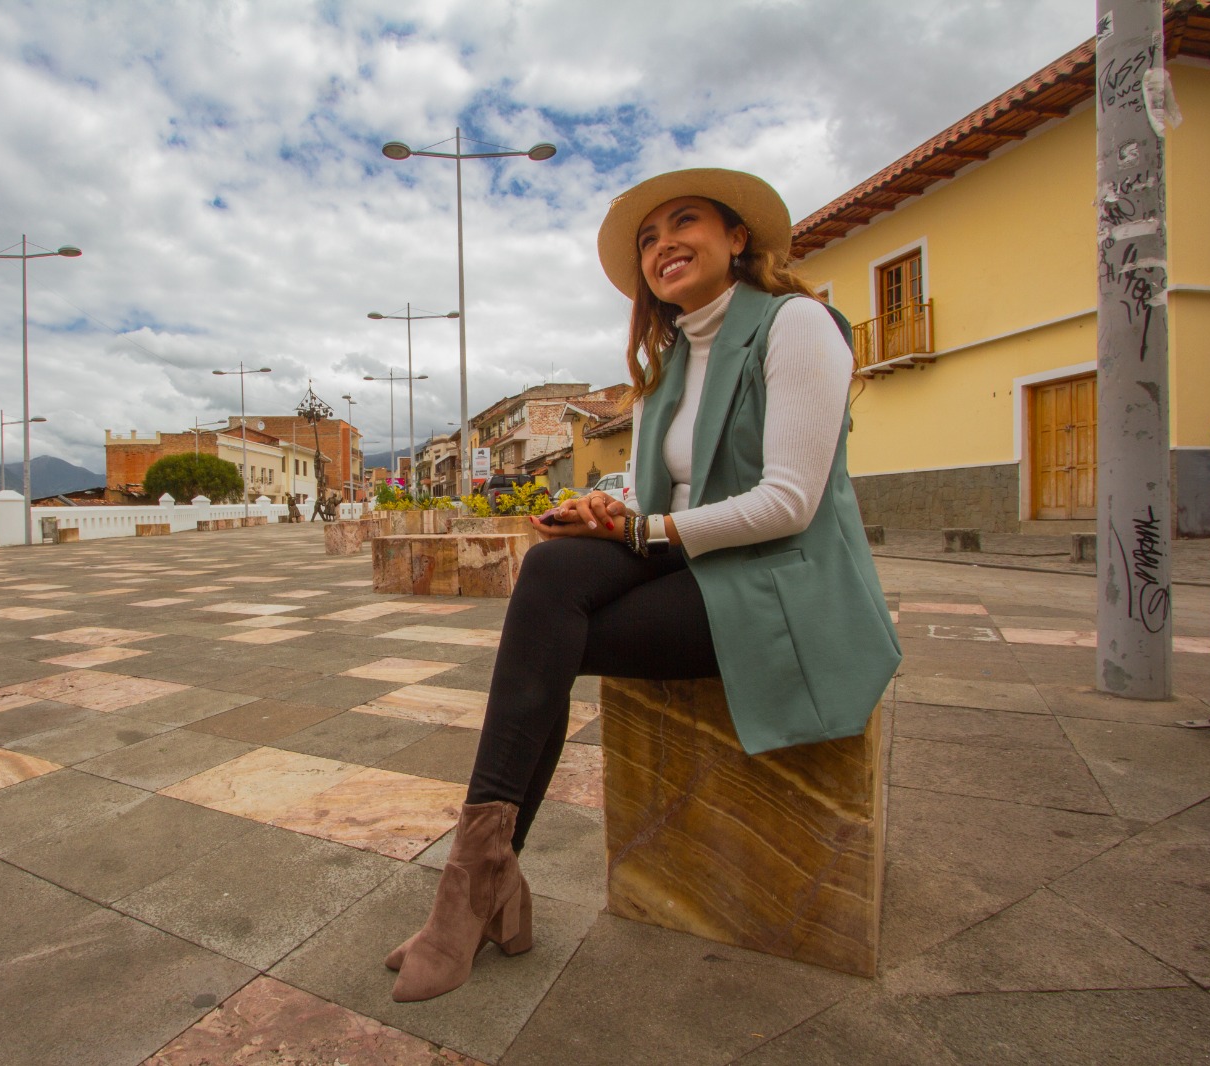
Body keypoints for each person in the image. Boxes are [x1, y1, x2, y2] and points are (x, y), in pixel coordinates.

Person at [384, 169, 901, 1002]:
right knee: (551, 571)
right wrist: (610, 508)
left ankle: (475, 898)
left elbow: (790, 502)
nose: (664, 243)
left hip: (781, 583)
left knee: (549, 642)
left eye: (685, 222)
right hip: (693, 561)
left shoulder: (798, 325)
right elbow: (665, 490)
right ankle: (480, 887)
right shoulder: (672, 360)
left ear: (738, 238)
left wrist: (646, 530)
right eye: (649, 237)